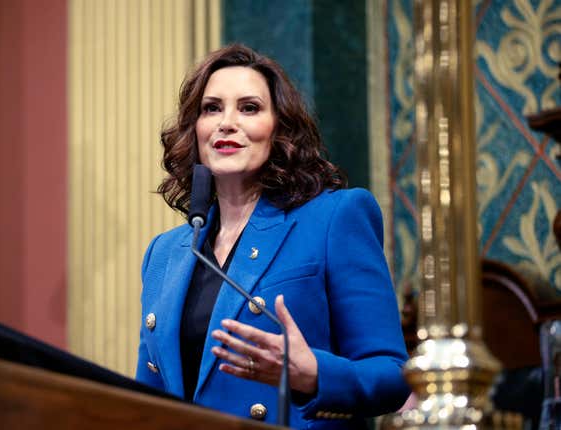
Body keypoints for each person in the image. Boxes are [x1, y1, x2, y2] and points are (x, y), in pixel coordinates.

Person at [135, 44, 410, 428]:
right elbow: (145, 400)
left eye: (249, 108)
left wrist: (313, 373)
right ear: (194, 129)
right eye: (211, 108)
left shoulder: (335, 217)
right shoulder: (164, 254)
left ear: (279, 128)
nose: (225, 123)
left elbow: (392, 375)